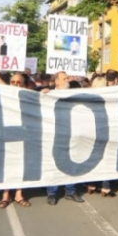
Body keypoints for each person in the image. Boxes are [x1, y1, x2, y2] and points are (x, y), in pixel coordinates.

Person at [45, 71, 84, 205]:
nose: (68, 80)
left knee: (71, 163)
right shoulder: (48, 94)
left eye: (67, 78)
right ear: (57, 82)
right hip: (54, 135)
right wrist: (42, 94)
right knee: (53, 164)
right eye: (64, 78)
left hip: (71, 134)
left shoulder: (72, 95)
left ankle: (70, 191)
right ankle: (52, 193)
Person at [0, 73, 32, 209]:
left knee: (20, 165)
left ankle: (18, 194)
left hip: (23, 134)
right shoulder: (4, 94)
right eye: (13, 82)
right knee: (7, 165)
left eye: (19, 82)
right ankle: (5, 195)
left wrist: (47, 92)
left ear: (24, 85)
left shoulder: (29, 96)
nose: (16, 85)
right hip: (6, 133)